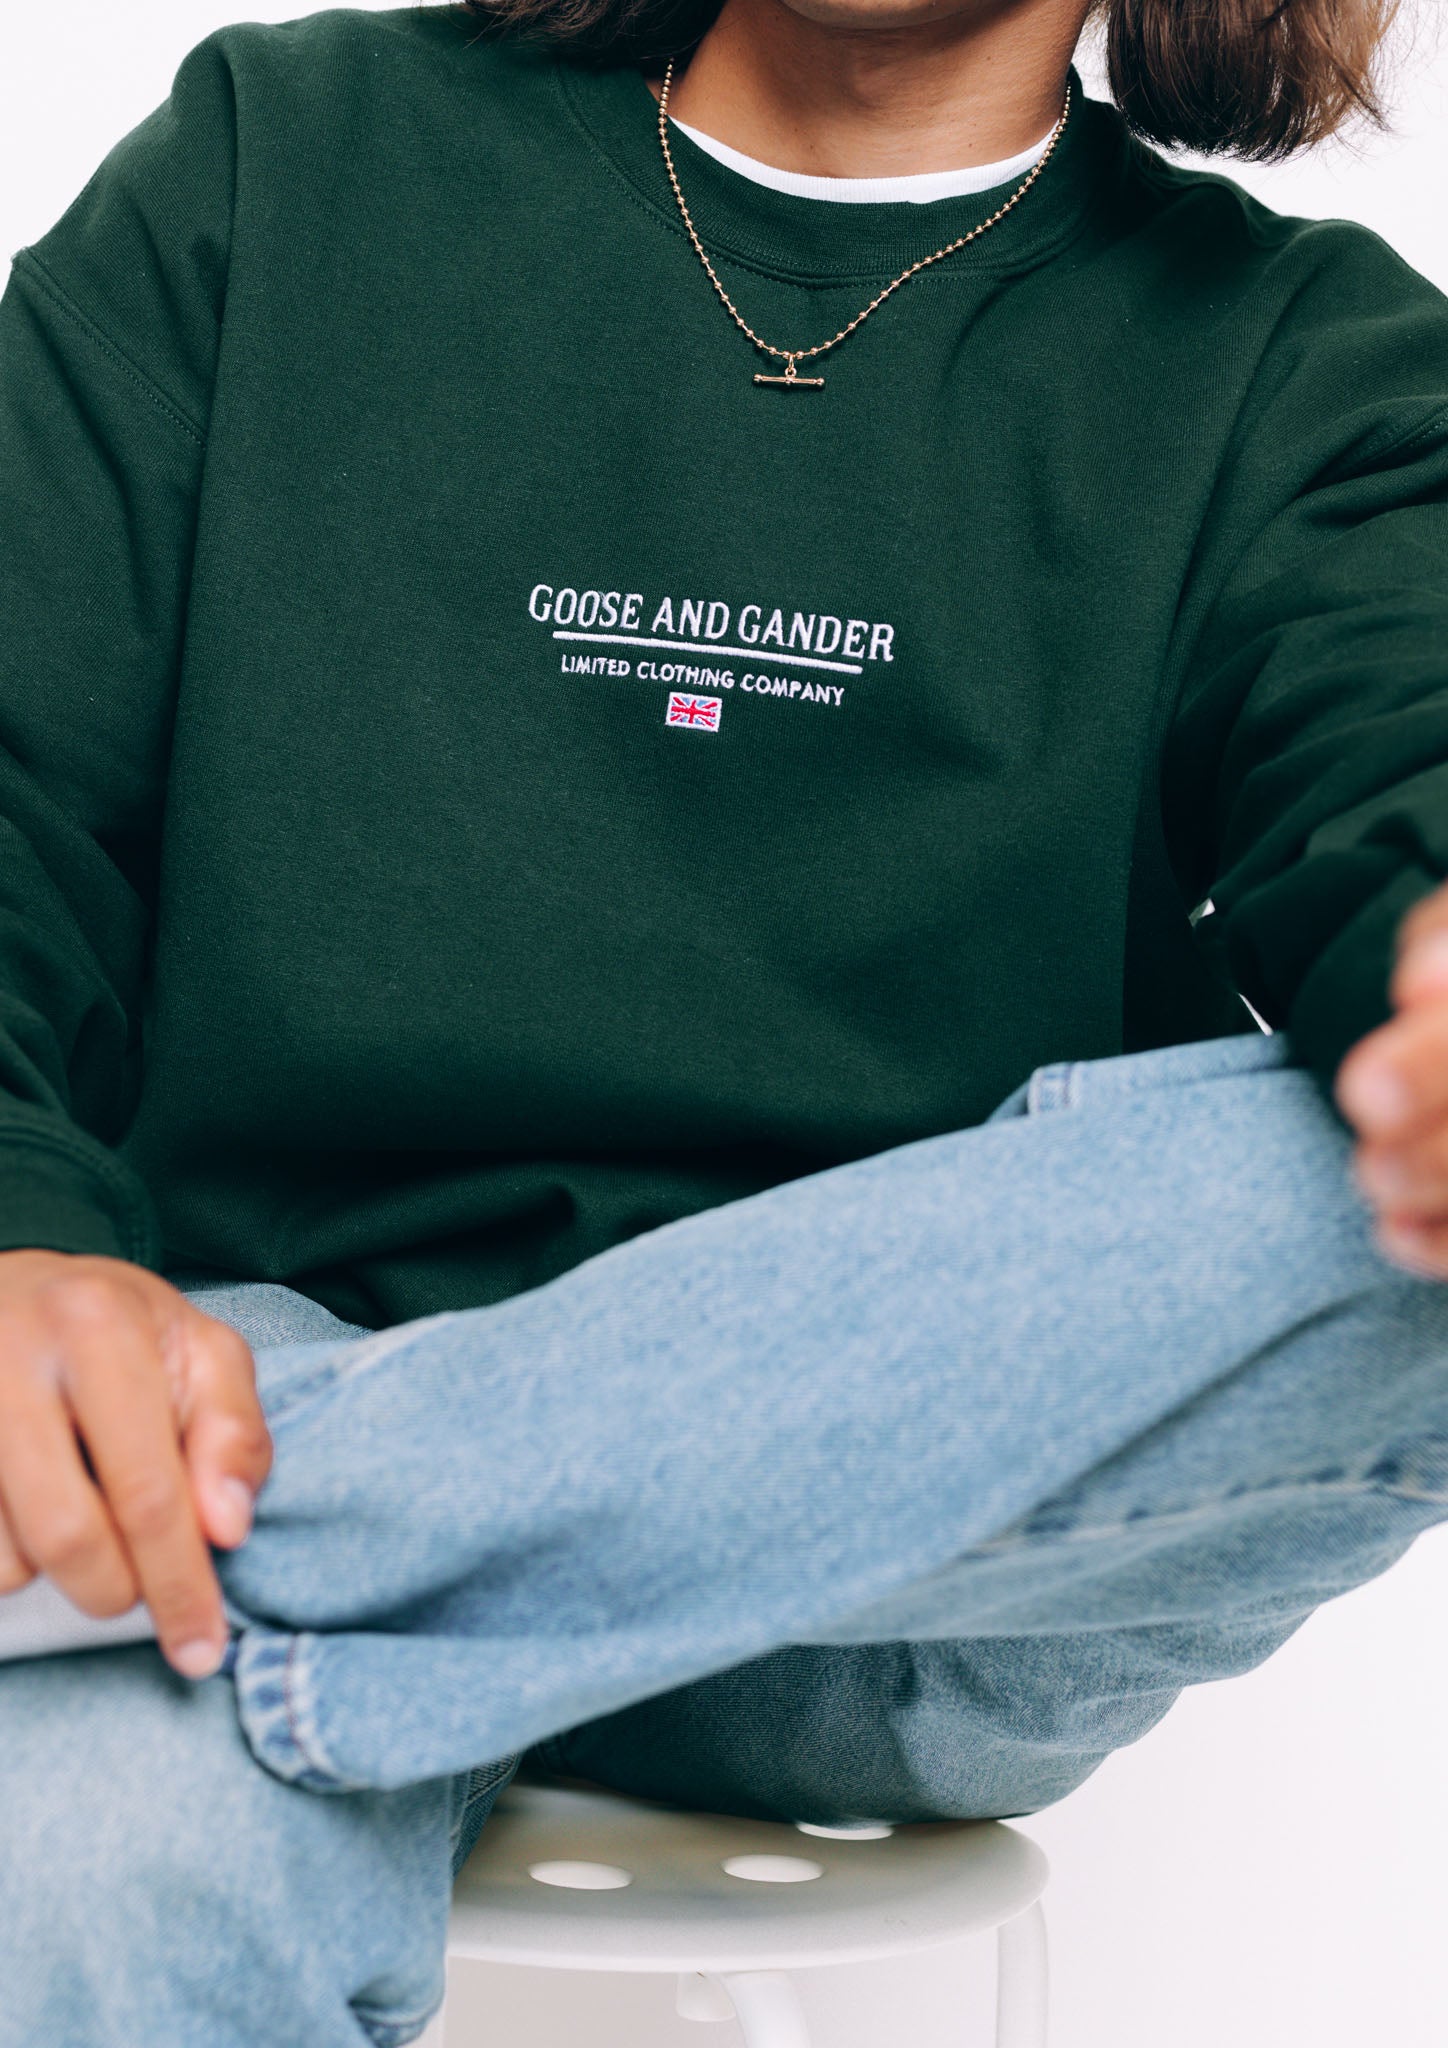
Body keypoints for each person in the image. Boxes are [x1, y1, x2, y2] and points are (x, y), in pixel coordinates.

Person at [1, 0, 1446, 2035]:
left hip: (896, 1533)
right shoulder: (282, 158)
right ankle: (254, 1544)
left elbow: (1403, 766)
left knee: (1393, 1213)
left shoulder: (1307, 363)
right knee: (86, 1850)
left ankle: (262, 1529)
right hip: (240, 1360)